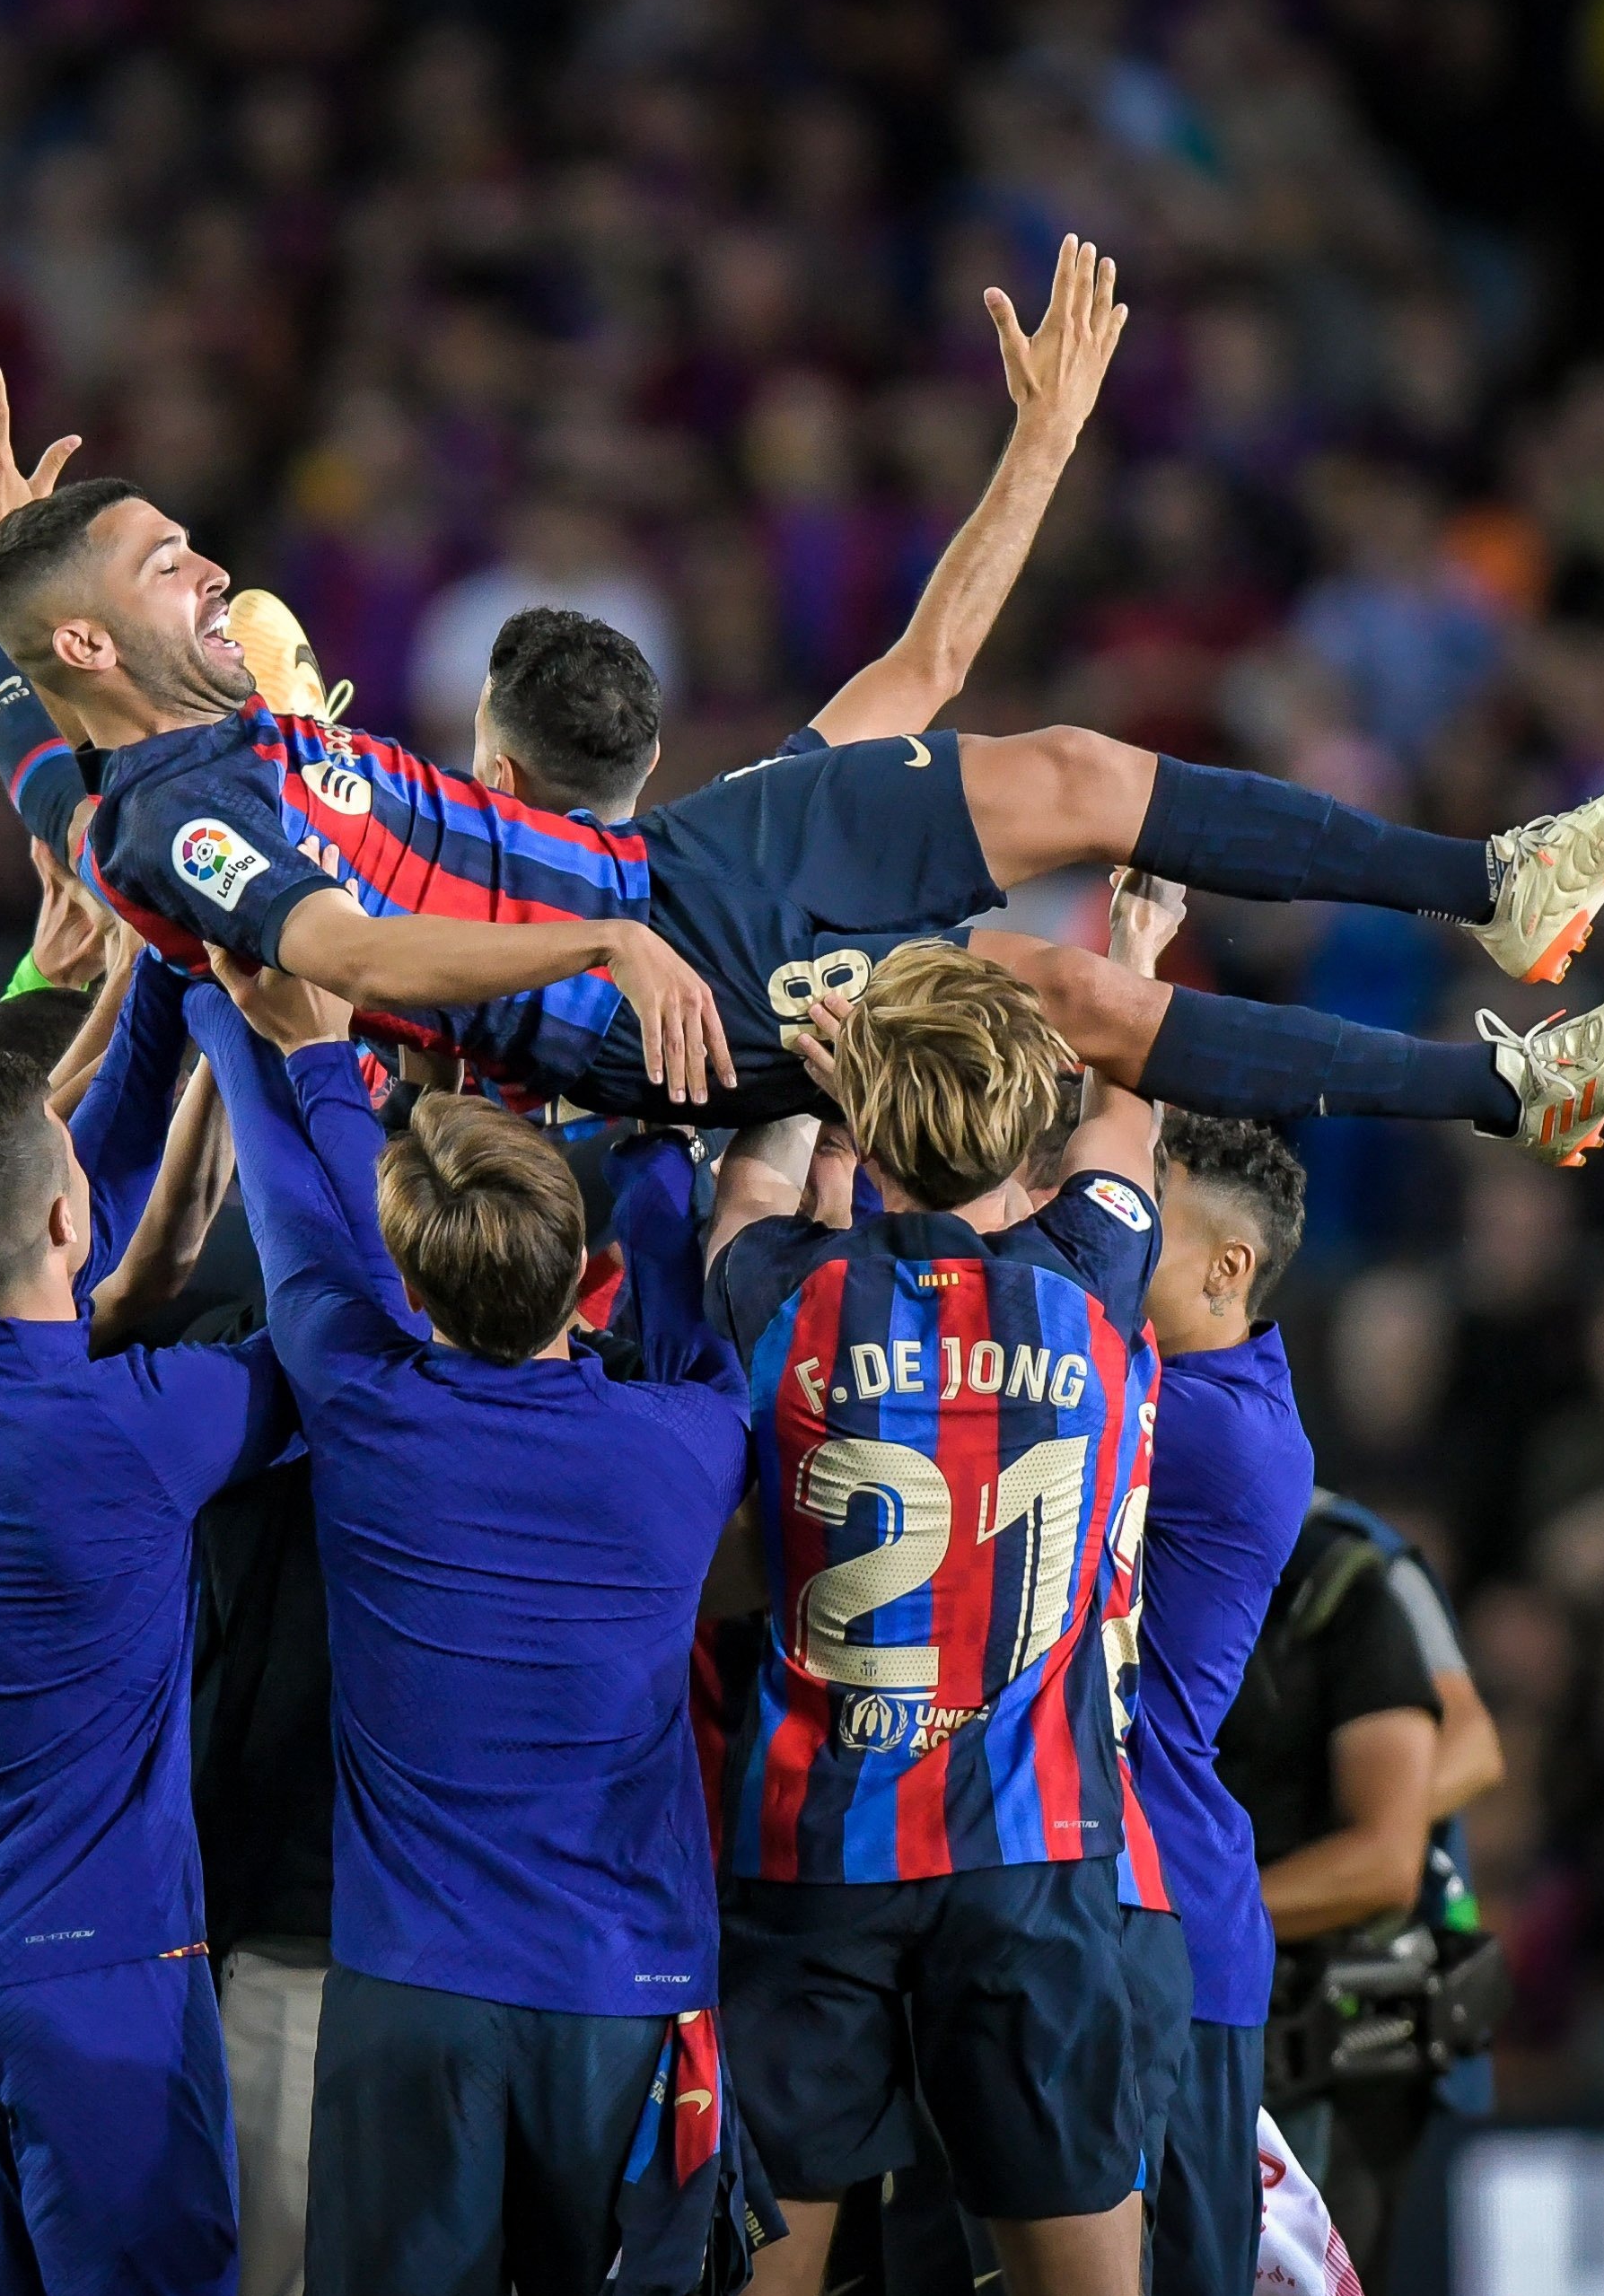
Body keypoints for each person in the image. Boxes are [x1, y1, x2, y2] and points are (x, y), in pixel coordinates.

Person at [0, 248, 1604, 1162]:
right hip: (629, 1004)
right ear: (93, 649)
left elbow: (927, 666)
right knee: (1050, 994)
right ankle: (1503, 1090)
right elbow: (344, 952)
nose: (207, 572)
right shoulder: (169, 818)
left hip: (671, 872)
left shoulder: (179, 741)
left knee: (1068, 769)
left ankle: (1496, 883)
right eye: (167, 570)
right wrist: (596, 950)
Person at [183, 955, 759, 2295]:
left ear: (414, 1287)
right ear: (580, 1265)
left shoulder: (361, 1400)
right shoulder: (688, 1438)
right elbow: (680, 1294)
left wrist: (244, 1014)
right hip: (629, 1996)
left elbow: (294, 1204)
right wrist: (659, 1147)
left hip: (411, 1997)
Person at [698, 940, 1165, 2296]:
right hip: (1030, 1850)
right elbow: (1134, 1085)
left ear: (870, 1115)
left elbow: (752, 1184)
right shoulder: (1096, 1271)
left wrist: (808, 1082)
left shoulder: (781, 1289)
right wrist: (1127, 953)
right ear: (1028, 1113)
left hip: (811, 1849)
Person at [0, 968, 298, 2296]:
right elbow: (339, 1340)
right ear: (65, 1214)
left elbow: (60, 1181)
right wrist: (258, 1043)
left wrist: (165, 955)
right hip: (96, 1980)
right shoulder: (139, 1427)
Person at [1132, 1100, 1321, 2296]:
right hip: (1105, 1889)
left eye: (1142, 1215)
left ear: (1227, 1265)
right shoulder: (1197, 1387)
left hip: (1170, 1914)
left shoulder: (1217, 1430)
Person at [1214, 1494, 1452, 2292]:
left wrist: (1195, 1914)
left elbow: (1386, 1859)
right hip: (1189, 2027)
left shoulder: (1340, 1586)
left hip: (1319, 2050)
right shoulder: (1116, 1576)